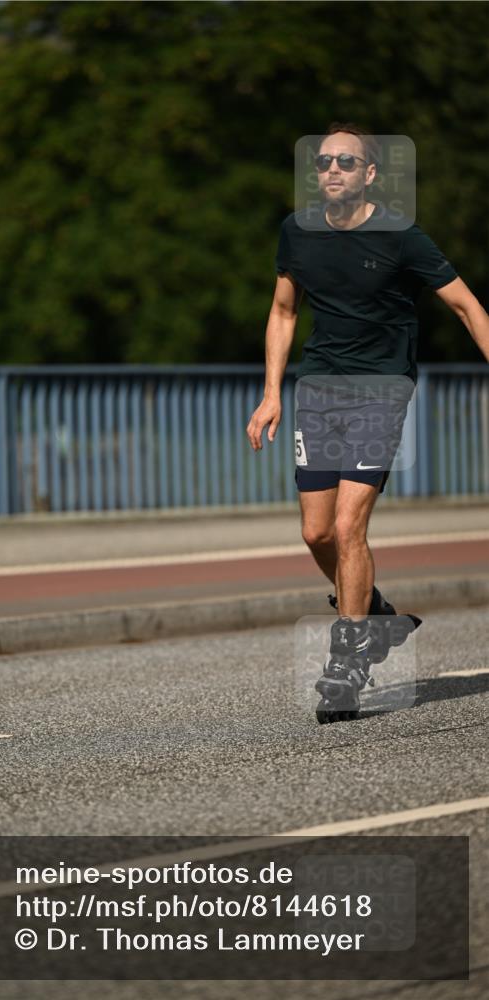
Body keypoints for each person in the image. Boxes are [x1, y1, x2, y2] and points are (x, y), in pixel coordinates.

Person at [246, 122, 489, 718]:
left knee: (351, 527)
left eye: (346, 162)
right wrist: (271, 392)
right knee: (316, 533)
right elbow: (282, 312)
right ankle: (375, 616)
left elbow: (466, 305)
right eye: (325, 161)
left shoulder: (402, 235)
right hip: (319, 388)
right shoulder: (296, 233)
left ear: (369, 174)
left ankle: (346, 662)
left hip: (382, 389)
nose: (333, 170)